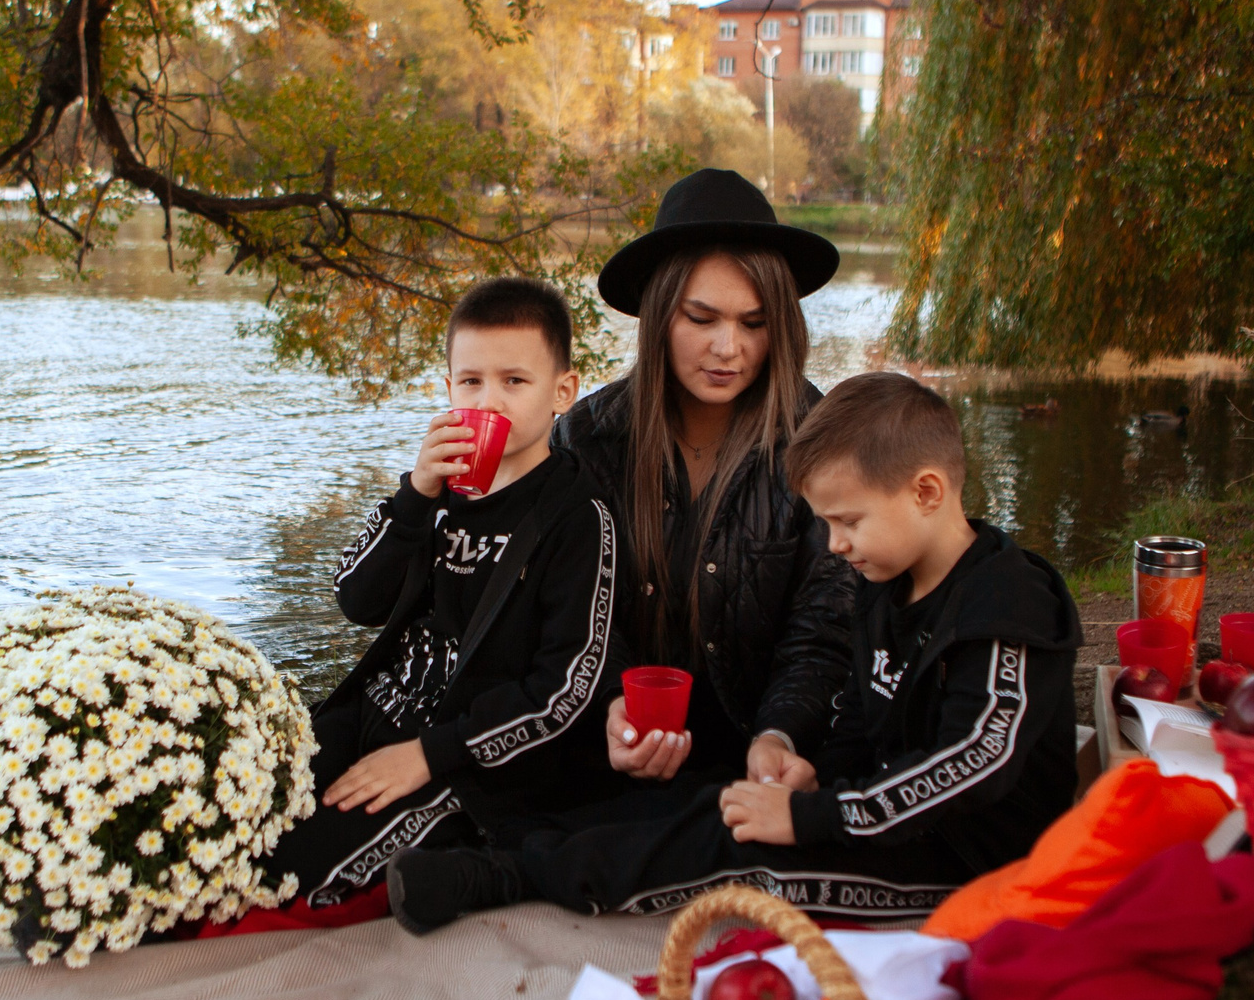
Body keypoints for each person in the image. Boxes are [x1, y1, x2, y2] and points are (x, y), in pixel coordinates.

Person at [385, 370, 1084, 929]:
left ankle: (507, 877)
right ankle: (514, 841)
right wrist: (809, 773)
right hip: (872, 814)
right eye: (825, 524)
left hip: (965, 858)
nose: (835, 545)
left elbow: (975, 761)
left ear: (926, 491)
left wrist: (813, 817)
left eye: (847, 521)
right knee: (718, 800)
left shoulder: (1008, 600)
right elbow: (862, 716)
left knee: (741, 857)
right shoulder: (887, 585)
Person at [266, 277, 626, 908]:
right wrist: (414, 495)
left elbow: (567, 689)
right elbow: (355, 599)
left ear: (562, 392)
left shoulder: (578, 517)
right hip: (371, 714)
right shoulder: (435, 495)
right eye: (471, 382)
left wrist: (432, 754)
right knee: (249, 807)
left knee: (296, 878)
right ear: (449, 387)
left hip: (467, 766)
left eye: (515, 381)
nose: (490, 402)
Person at [558, 166, 858, 793]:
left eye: (754, 323)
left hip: (759, 769)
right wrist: (610, 703)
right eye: (702, 318)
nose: (729, 348)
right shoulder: (585, 438)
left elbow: (825, 629)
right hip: (608, 760)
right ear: (658, 316)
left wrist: (780, 736)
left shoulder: (822, 441)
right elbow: (568, 612)